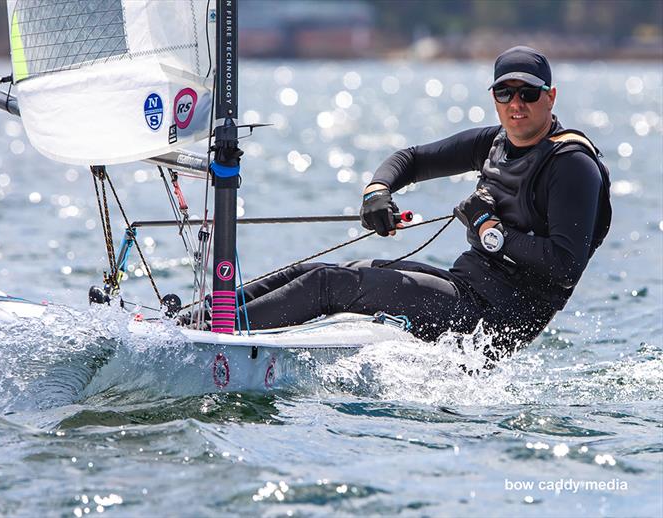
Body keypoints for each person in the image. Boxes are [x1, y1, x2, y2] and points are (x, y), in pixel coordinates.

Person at [229, 46, 612, 362]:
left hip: (491, 323)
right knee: (318, 270)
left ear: (551, 96)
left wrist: (490, 232)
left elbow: (564, 265)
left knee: (329, 285)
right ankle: (194, 320)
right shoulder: (494, 143)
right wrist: (377, 191)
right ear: (494, 98)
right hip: (465, 289)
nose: (516, 104)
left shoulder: (572, 165)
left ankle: (221, 340)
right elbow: (412, 159)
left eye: (528, 93)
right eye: (504, 93)